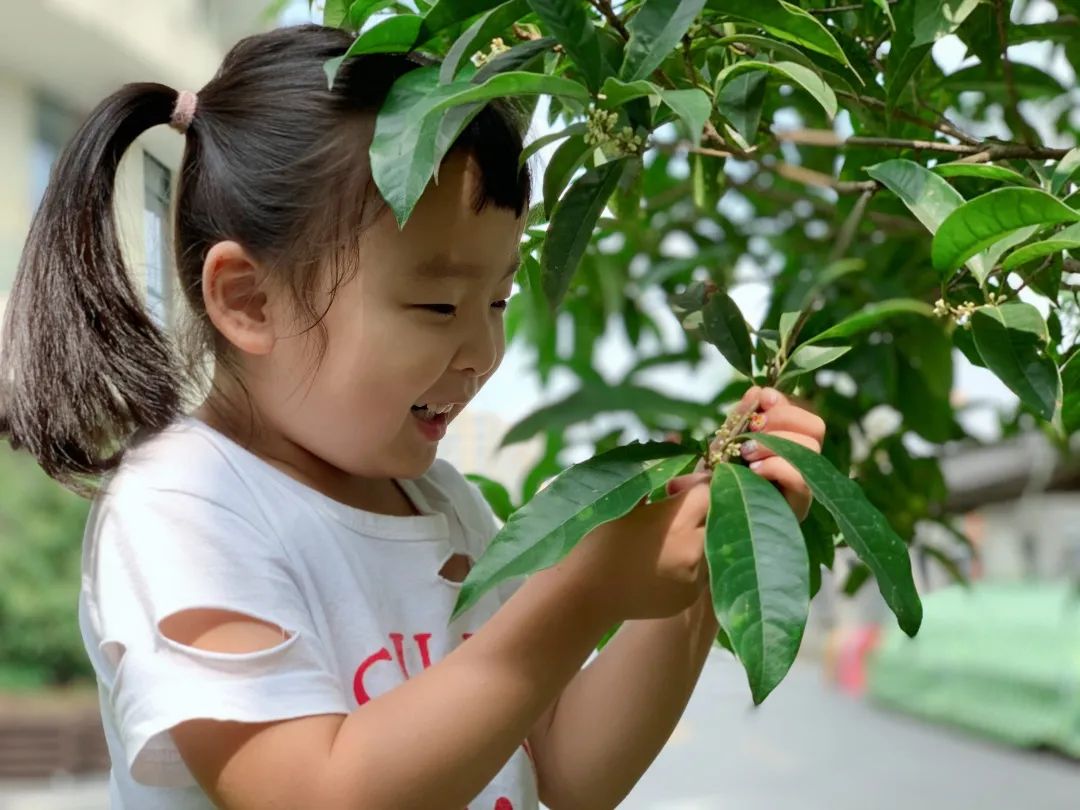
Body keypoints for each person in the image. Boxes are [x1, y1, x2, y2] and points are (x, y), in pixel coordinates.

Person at [0, 23, 825, 810]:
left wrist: (704, 570)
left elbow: (571, 772)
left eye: (499, 298)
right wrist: (579, 596)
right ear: (249, 300)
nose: (481, 349)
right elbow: (316, 794)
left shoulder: (444, 503)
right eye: (437, 303)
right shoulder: (184, 509)